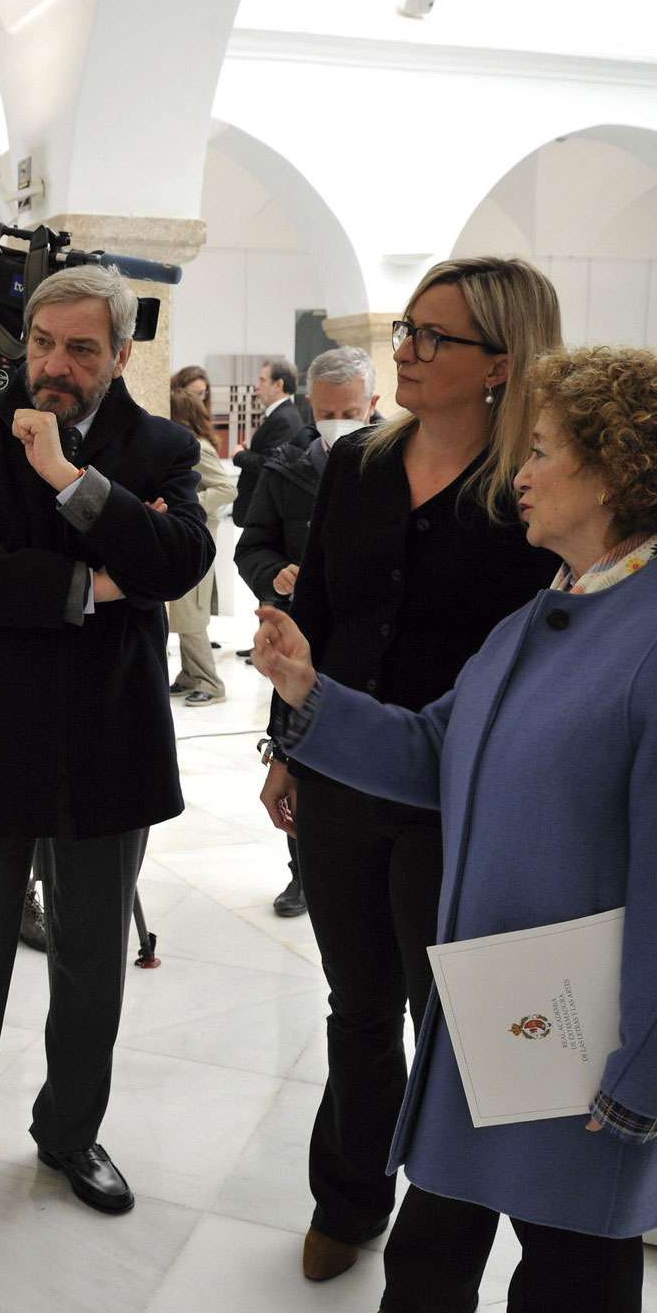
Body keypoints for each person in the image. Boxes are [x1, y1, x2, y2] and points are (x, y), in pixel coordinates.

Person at [253, 345, 657, 1313]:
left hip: (596, 1034)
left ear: (616, 470)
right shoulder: (562, 602)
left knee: (573, 1271)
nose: (521, 475)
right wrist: (306, 695)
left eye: (543, 451)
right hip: (517, 1002)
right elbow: (432, 750)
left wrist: (652, 1076)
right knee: (525, 1225)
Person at [257, 258, 562, 1313]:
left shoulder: (531, 490)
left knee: (463, 1035)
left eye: (434, 337)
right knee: (355, 1002)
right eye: (408, 328)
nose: (407, 351)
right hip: (341, 775)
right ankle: (346, 1194)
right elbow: (326, 613)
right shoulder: (358, 466)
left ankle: (432, 1285)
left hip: (466, 801)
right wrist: (288, 744)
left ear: (501, 365)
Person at [0, 263, 214, 1245]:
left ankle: (69, 1135)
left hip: (107, 742)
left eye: (80, 348)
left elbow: (178, 561)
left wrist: (73, 486)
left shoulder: (155, 446)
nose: (54, 365)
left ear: (119, 355)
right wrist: (94, 585)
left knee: (90, 967)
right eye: (40, 343)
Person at [235, 345, 380, 920]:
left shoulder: (405, 464)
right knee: (298, 753)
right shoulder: (286, 467)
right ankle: (302, 869)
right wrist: (277, 576)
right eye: (327, 412)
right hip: (302, 644)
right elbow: (254, 546)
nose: (337, 423)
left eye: (350, 411)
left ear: (373, 403)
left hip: (372, 641)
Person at [166, 388, 237, 706]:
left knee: (191, 614)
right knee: (183, 610)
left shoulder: (199, 448)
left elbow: (226, 488)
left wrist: (189, 506)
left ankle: (210, 682)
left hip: (196, 537)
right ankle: (189, 675)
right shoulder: (184, 446)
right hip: (186, 537)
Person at [234, 356, 301, 524]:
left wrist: (240, 455)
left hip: (264, 511)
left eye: (262, 380)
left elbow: (272, 462)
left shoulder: (284, 418)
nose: (257, 387)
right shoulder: (282, 415)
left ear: (278, 385)